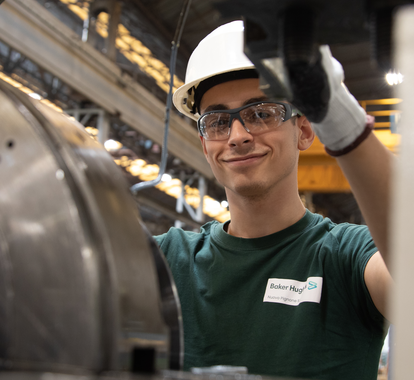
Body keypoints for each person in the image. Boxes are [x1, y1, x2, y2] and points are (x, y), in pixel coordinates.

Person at [154, 20, 394, 380]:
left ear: (304, 129)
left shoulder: (346, 256)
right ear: (205, 145)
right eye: (218, 121)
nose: (237, 135)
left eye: (261, 114)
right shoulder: (169, 260)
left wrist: (342, 117)